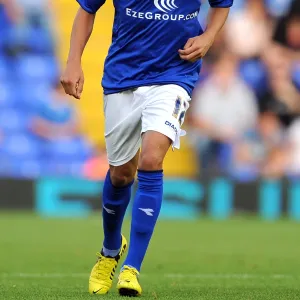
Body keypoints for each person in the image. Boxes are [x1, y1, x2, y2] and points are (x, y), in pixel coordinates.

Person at [60, 0, 232, 296]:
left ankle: (132, 268)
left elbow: (222, 4)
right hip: (123, 78)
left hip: (175, 75)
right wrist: (73, 61)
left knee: (151, 160)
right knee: (121, 175)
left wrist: (209, 36)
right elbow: (86, 9)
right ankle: (110, 250)